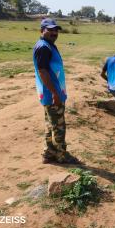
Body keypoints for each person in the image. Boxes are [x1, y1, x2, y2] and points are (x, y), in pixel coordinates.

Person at [33, 18, 77, 164]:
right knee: (58, 126)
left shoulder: (48, 45)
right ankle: (62, 155)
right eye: (50, 30)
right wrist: (55, 93)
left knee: (51, 124)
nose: (54, 32)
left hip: (52, 93)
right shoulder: (44, 47)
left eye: (55, 30)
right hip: (52, 94)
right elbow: (42, 71)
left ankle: (49, 153)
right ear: (42, 30)